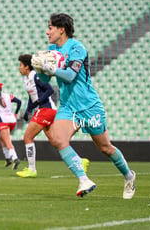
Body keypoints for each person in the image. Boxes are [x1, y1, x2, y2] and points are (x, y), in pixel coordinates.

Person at [31, 13, 136, 199]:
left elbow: (70, 75)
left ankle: (129, 176)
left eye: (50, 28)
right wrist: (40, 68)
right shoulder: (52, 48)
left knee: (105, 148)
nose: (47, 32)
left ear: (61, 29)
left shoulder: (77, 48)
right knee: (58, 140)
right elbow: (46, 79)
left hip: (89, 106)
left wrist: (51, 68)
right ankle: (83, 179)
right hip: (68, 107)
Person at [16, 54, 90, 178]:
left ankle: (32, 169)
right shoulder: (27, 79)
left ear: (27, 66)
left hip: (46, 110)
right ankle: (80, 161)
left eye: (20, 65)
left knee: (28, 137)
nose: (19, 68)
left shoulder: (35, 76)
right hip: (46, 110)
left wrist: (38, 102)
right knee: (56, 141)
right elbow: (32, 97)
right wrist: (28, 110)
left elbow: (49, 90)